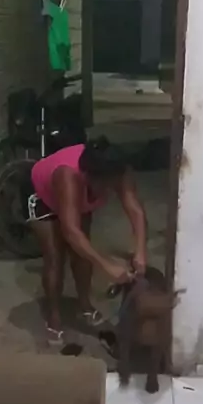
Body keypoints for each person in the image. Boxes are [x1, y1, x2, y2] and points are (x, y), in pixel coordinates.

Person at [29, 138, 147, 345]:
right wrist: (107, 266)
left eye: (112, 185)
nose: (109, 190)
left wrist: (140, 251)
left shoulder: (119, 170)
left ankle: (84, 305)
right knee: (55, 258)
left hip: (77, 196)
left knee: (83, 254)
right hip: (45, 197)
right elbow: (71, 232)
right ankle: (54, 317)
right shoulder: (68, 176)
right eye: (105, 185)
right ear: (89, 176)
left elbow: (135, 211)